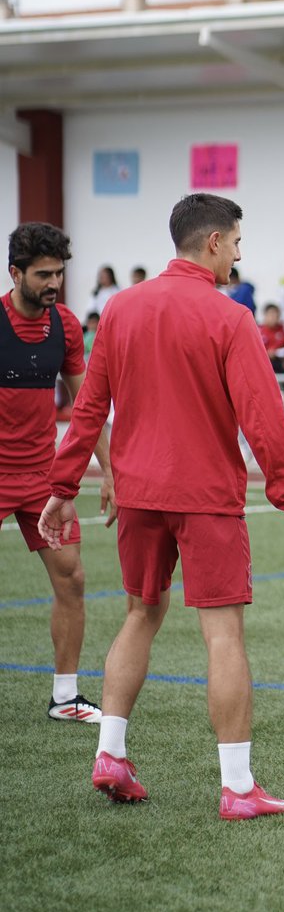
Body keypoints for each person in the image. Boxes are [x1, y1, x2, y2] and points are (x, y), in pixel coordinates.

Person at [38, 193, 284, 820]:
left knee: (140, 613)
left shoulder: (120, 308)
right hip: (205, 499)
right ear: (214, 242)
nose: (240, 255)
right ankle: (239, 788)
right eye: (238, 242)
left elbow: (87, 410)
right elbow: (264, 418)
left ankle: (110, 753)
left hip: (138, 496)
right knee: (222, 633)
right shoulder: (230, 317)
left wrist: (61, 490)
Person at [2, 223, 115, 724]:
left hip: (41, 480)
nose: (53, 283)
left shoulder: (66, 326)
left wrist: (110, 470)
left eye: (59, 274)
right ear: (15, 273)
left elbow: (87, 404)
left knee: (72, 579)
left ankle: (65, 697)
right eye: (43, 274)